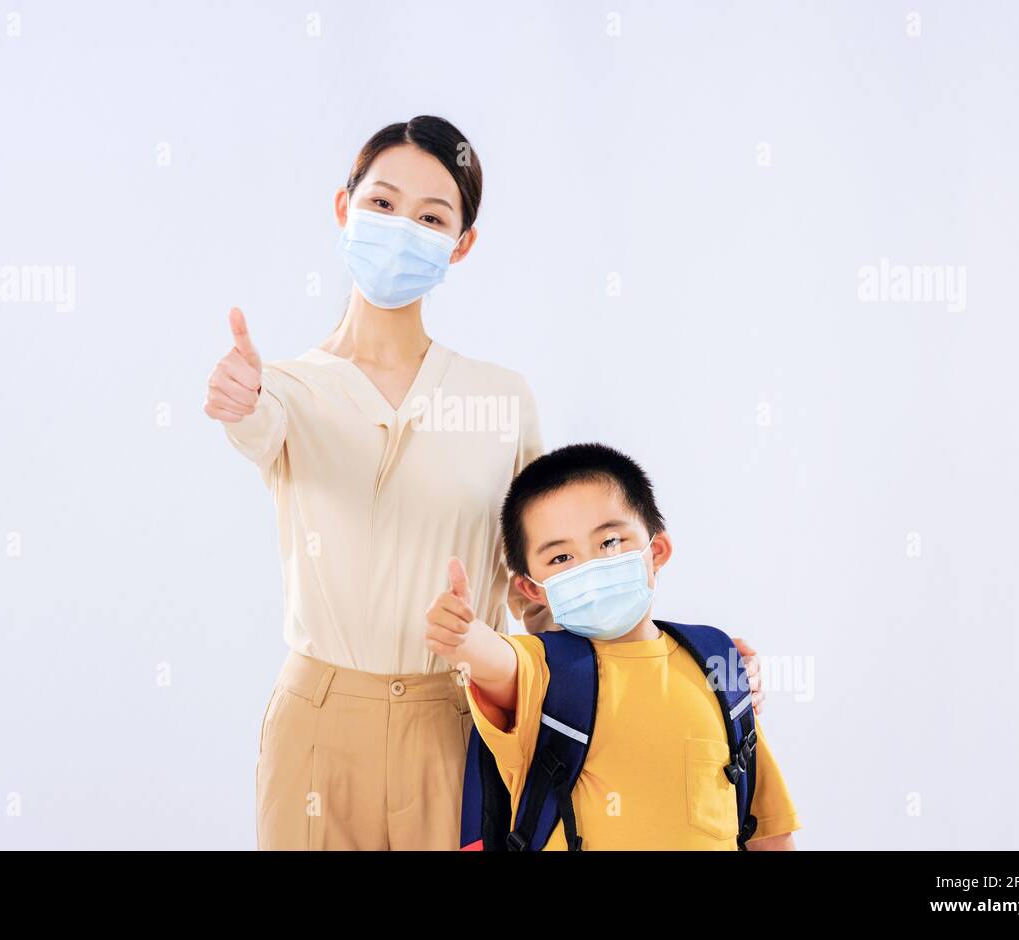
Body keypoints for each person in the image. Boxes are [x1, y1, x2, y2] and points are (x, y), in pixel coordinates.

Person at [205, 115, 765, 850]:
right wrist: (237, 400)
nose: (402, 226)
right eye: (382, 203)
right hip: (318, 720)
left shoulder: (500, 400)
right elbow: (255, 427)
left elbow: (547, 583)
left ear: (461, 244)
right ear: (344, 209)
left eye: (432, 216)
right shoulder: (285, 390)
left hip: (461, 716)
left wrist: (683, 663)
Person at [426, 442, 799, 849]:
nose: (589, 566)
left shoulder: (716, 661)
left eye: (609, 543)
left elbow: (765, 827)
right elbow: (499, 664)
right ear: (533, 589)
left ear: (656, 551)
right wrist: (466, 638)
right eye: (561, 558)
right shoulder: (544, 669)